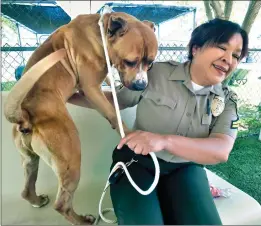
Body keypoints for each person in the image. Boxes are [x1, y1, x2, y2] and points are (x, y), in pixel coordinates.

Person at [67, 18, 248, 225]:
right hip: (136, 162)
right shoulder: (155, 73)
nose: (228, 59)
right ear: (196, 48)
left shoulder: (227, 99)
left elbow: (220, 150)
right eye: (221, 48)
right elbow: (117, 101)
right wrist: (69, 94)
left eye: (236, 55)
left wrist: (164, 141)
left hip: (185, 169)